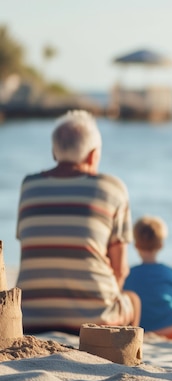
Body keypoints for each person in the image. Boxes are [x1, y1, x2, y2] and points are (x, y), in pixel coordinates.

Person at [15, 110, 140, 333]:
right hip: (96, 321)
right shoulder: (112, 187)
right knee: (133, 300)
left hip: (29, 318)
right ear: (93, 156)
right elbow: (120, 269)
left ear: (55, 153)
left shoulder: (29, 185)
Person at [123, 216, 172, 341]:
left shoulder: (127, 274)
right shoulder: (170, 272)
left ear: (135, 245)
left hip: (143, 331)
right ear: (161, 245)